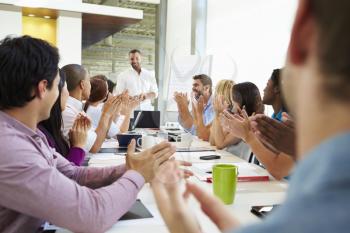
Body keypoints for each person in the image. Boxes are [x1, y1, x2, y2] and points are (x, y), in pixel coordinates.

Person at [152, 0, 350, 232]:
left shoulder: (267, 120)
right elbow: (211, 139)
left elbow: (217, 142)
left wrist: (180, 223)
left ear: (304, 32)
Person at [0, 35, 176, 232]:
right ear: (42, 88)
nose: (61, 92)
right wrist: (138, 174)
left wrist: (133, 165)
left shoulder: (27, 133)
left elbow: (73, 174)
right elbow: (93, 214)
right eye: (59, 85)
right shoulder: (10, 148)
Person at [61, 64, 121, 153]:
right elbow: (94, 146)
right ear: (82, 84)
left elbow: (97, 136)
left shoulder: (76, 108)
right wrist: (106, 114)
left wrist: (109, 113)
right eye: (89, 80)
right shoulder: (68, 112)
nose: (90, 85)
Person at [39, 69, 90, 166]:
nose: (68, 94)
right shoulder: (41, 134)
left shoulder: (48, 129)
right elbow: (66, 174)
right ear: (43, 88)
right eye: (65, 87)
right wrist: (77, 146)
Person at [211, 82, 263, 161]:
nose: (232, 106)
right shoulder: (238, 118)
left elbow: (220, 144)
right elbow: (213, 141)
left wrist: (218, 114)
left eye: (233, 102)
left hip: (241, 167)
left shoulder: (249, 122)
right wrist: (219, 114)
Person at [174, 74, 215, 141]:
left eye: (196, 85)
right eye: (193, 85)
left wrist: (184, 107)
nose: (193, 88)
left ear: (207, 88)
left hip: (201, 143)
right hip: (191, 138)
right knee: (167, 139)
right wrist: (181, 107)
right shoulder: (198, 102)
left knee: (171, 142)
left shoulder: (214, 107)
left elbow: (197, 132)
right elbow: (186, 127)